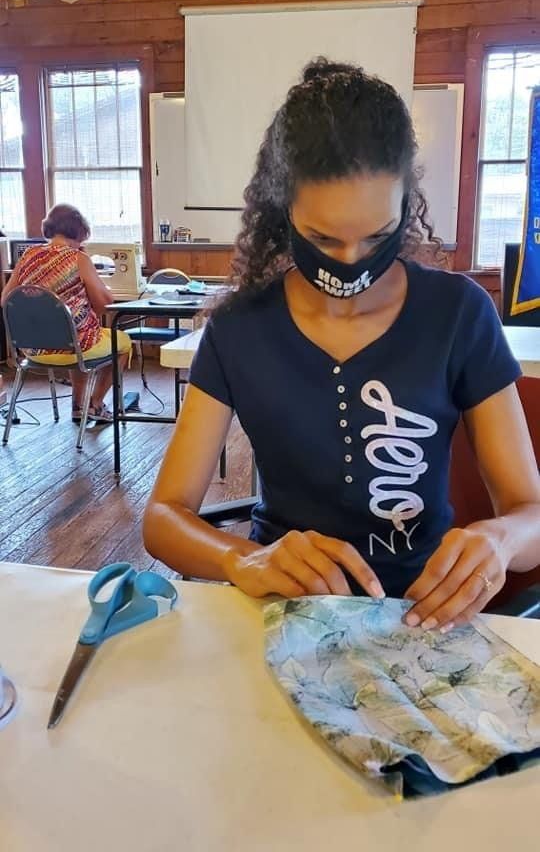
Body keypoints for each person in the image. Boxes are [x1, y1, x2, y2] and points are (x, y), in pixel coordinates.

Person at [143, 58, 540, 633]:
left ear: (406, 203)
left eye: (378, 236)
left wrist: (501, 539)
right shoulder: (239, 329)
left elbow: (531, 515)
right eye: (322, 238)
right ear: (284, 209)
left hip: (422, 615)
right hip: (287, 612)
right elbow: (162, 517)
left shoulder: (459, 314)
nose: (352, 262)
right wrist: (242, 558)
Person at [1, 203, 131, 422]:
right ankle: (95, 404)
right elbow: (105, 304)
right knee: (121, 343)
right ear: (79, 231)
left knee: (73, 337)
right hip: (73, 345)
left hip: (32, 348)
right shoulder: (78, 258)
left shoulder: (28, 256)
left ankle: (78, 406)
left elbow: (6, 300)